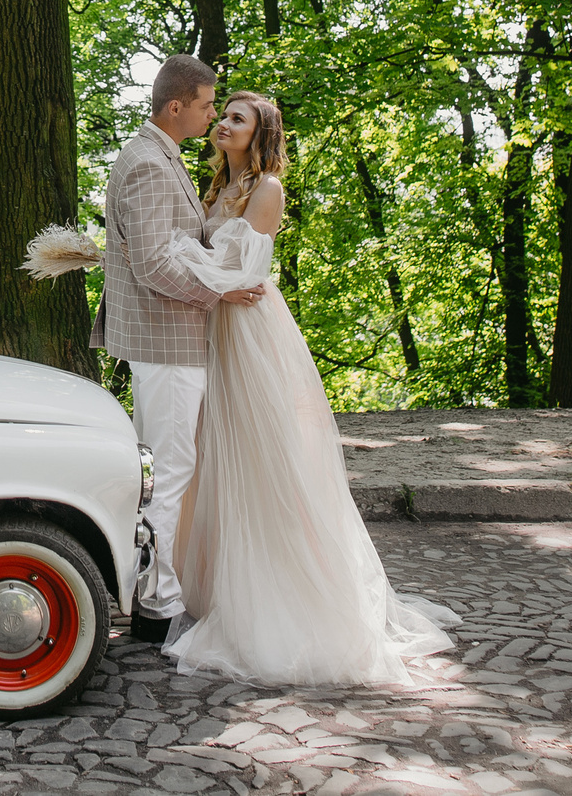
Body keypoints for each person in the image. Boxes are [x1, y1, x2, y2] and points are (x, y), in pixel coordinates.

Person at [165, 91, 460, 686]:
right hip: (215, 326)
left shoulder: (267, 190)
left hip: (248, 329)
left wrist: (172, 254)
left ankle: (282, 599)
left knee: (263, 458)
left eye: (236, 119)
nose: (222, 124)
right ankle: (217, 586)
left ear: (261, 133)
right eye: (221, 116)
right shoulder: (219, 187)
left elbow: (242, 274)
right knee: (214, 458)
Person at [92, 54, 263, 644]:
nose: (213, 115)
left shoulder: (162, 156)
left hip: (170, 336)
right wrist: (222, 289)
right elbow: (154, 263)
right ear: (176, 107)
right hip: (166, 338)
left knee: (165, 468)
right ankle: (156, 604)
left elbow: (169, 244)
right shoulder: (146, 163)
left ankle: (153, 594)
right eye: (208, 105)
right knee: (168, 472)